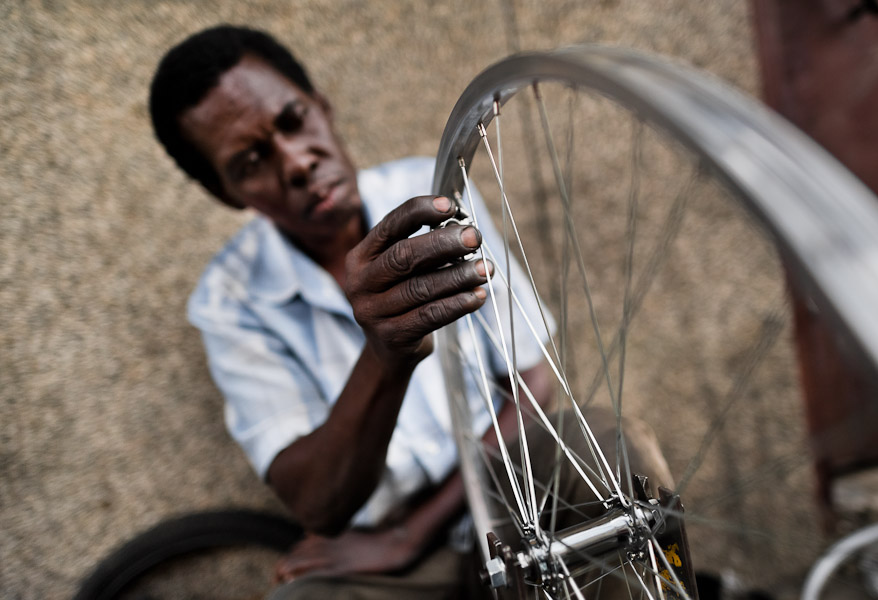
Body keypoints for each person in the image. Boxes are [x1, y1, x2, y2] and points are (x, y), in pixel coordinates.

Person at [149, 25, 672, 599]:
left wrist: (413, 533)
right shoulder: (229, 301)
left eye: (294, 120)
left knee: (603, 442)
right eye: (250, 161)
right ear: (228, 194)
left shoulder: (432, 191)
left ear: (322, 106)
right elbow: (316, 503)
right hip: (388, 564)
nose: (296, 162)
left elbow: (533, 385)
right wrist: (384, 356)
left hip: (508, 485)